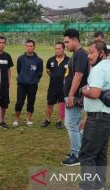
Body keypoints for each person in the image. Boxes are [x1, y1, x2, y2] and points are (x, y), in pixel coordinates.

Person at [79, 40, 110, 190]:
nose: (88, 56)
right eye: (87, 53)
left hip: (97, 118)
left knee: (87, 155)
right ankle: (99, 186)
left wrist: (83, 89)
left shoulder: (98, 69)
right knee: (100, 155)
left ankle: (88, 187)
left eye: (91, 52)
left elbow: (95, 93)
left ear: (102, 53)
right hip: (105, 117)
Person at [61, 29, 89, 166]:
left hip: (75, 96)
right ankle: (81, 150)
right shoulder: (77, 54)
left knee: (71, 124)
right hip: (72, 95)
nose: (65, 45)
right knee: (76, 124)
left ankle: (76, 154)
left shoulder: (80, 54)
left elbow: (78, 75)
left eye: (67, 42)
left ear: (75, 40)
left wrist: (71, 95)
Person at [12, 39, 43, 127]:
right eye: (27, 46)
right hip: (22, 84)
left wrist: (34, 80)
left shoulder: (39, 60)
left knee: (31, 102)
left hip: (33, 85)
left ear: (34, 47)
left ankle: (28, 119)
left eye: (31, 46)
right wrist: (22, 78)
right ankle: (16, 119)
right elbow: (19, 70)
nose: (29, 48)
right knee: (19, 102)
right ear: (25, 47)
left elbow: (40, 73)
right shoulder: (20, 58)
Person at [41, 42, 69, 129]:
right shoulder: (50, 60)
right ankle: (47, 120)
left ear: (64, 49)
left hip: (64, 88)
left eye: (59, 48)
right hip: (52, 87)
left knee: (62, 104)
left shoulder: (69, 60)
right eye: (55, 48)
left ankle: (59, 121)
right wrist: (54, 77)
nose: (57, 50)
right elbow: (48, 71)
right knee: (50, 104)